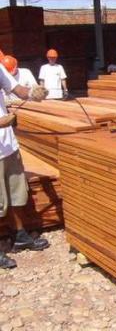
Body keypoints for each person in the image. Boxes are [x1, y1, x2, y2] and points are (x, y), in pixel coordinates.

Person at [0, 62, 49, 269]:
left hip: (8, 145)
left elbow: (17, 89)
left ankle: (20, 235)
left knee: (17, 193)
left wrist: (33, 93)